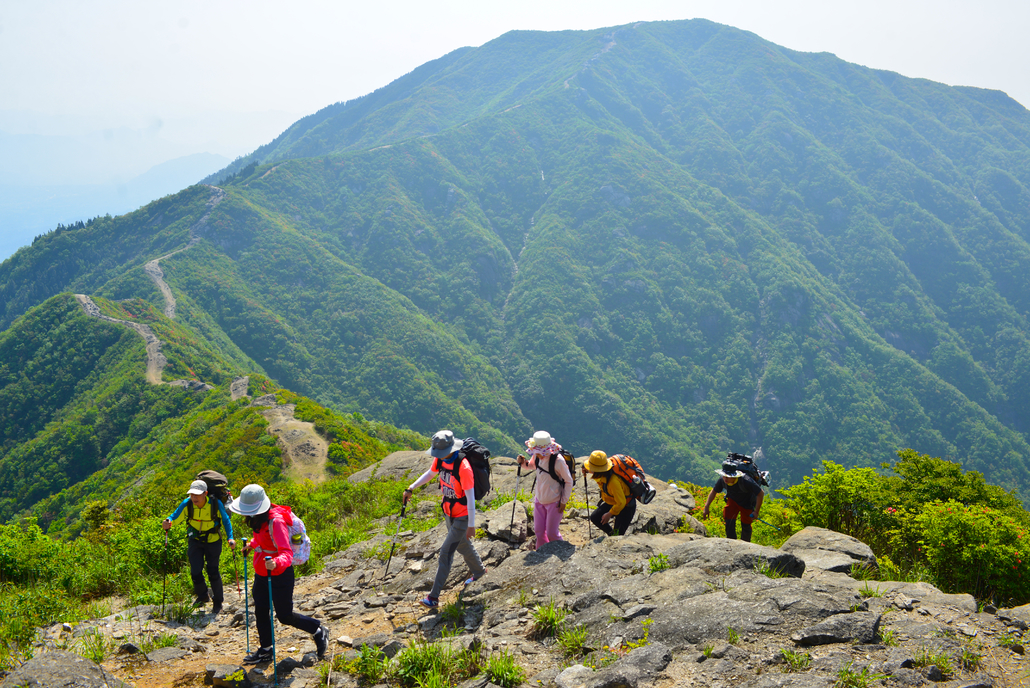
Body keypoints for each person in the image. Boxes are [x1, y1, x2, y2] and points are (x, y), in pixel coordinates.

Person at [229, 484, 328, 664]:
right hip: (262, 572)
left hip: (280, 574)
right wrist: (251, 545)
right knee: (261, 611)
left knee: (285, 616)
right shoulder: (257, 519)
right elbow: (261, 539)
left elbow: (286, 552)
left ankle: (318, 630)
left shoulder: (276, 522)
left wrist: (275, 563)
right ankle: (266, 650)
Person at [403, 429, 487, 609]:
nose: (438, 456)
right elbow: (430, 473)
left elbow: (471, 497)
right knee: (463, 545)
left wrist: (471, 525)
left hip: (462, 515)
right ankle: (480, 572)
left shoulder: (463, 467)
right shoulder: (441, 459)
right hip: (449, 511)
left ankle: (433, 598)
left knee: (445, 554)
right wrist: (412, 487)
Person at [163, 479, 235, 614]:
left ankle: (218, 601)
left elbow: (225, 520)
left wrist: (230, 537)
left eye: (197, 495)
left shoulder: (215, 504)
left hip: (213, 540)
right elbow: (175, 517)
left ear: (205, 493)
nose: (194, 497)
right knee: (195, 571)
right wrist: (168, 522)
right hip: (195, 540)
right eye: (192, 494)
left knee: (213, 571)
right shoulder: (187, 504)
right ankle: (203, 596)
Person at [517, 431, 573, 549]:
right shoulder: (537, 456)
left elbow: (568, 481)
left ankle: (562, 550)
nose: (537, 454)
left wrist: (563, 501)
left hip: (554, 502)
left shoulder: (558, 460)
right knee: (538, 531)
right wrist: (523, 463)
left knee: (551, 533)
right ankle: (542, 553)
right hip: (539, 499)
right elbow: (532, 465)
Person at [701, 461, 765, 542]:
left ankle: (745, 545)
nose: (725, 479)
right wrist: (706, 507)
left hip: (747, 502)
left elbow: (760, 493)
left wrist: (756, 512)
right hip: (733, 500)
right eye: (724, 476)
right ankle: (731, 542)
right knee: (729, 521)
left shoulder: (746, 481)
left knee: (746, 524)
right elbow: (714, 492)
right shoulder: (722, 480)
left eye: (728, 476)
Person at [582, 451, 636, 536]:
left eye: (591, 468)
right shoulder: (603, 474)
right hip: (613, 501)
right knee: (595, 517)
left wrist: (609, 514)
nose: (589, 469)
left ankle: (614, 538)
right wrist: (587, 470)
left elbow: (621, 502)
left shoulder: (613, 482)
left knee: (618, 534)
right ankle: (611, 535)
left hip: (626, 506)